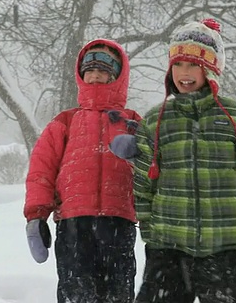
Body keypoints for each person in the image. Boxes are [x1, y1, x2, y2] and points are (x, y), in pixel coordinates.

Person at [111, 19, 236, 303]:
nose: (184, 73)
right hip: (169, 248)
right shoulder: (156, 120)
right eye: (178, 65)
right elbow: (143, 186)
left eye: (193, 65)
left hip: (225, 248)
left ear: (211, 69)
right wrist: (152, 240)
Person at [23, 39, 142, 303]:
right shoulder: (66, 121)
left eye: (104, 69)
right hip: (74, 223)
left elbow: (152, 167)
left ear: (117, 75)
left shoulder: (132, 121)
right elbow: (42, 170)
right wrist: (37, 215)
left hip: (118, 221)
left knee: (118, 293)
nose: (96, 74)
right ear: (81, 74)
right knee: (76, 292)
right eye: (90, 69)